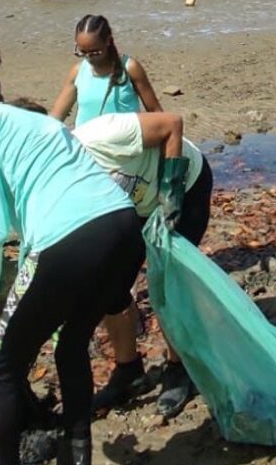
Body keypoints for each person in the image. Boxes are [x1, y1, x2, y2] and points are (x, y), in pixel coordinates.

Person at [0, 31, 145, 465]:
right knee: (71, 348)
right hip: (121, 227)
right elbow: (32, 208)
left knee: (3, 371)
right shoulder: (42, 124)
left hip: (71, 238)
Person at [71, 111, 213, 419]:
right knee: (111, 286)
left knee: (168, 284)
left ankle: (179, 369)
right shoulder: (56, 181)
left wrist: (171, 189)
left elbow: (172, 124)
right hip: (133, 206)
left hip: (185, 189)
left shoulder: (100, 137)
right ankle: (128, 370)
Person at [50, 14, 163, 125]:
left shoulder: (130, 68)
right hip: (86, 141)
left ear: (108, 41)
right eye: (82, 52)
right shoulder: (78, 72)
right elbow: (56, 117)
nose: (89, 58)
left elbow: (155, 112)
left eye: (95, 52)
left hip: (123, 141)